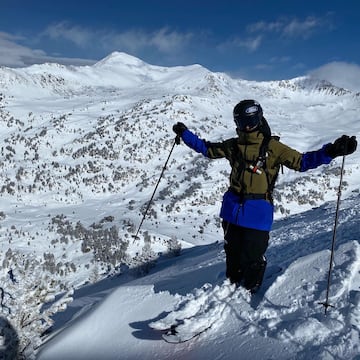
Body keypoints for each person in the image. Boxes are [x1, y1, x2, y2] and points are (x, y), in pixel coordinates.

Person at [173, 99, 357, 293]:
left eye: (249, 122)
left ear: (259, 120)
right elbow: (208, 149)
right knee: (232, 253)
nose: (247, 127)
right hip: (232, 210)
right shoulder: (234, 145)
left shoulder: (272, 148)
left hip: (256, 211)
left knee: (252, 256)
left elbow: (302, 162)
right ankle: (231, 288)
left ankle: (249, 293)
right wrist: (185, 134)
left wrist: (332, 151)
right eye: (242, 123)